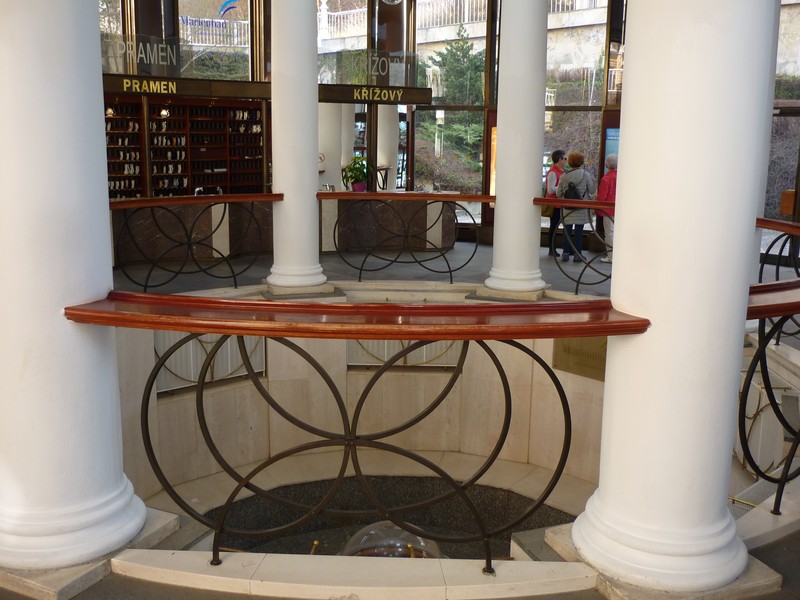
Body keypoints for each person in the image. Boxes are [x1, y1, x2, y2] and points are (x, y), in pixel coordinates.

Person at [556, 151, 596, 262]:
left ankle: (565, 253)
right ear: (581, 162)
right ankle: (578, 255)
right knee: (579, 232)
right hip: (581, 208)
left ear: (570, 162)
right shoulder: (585, 175)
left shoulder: (564, 176)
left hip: (567, 208)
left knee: (567, 231)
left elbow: (558, 194)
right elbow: (591, 190)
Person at [544, 150, 567, 257]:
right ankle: (551, 248)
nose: (566, 161)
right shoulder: (553, 172)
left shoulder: (561, 171)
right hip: (554, 204)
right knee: (554, 227)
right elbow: (550, 190)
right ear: (559, 159)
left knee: (556, 226)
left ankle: (554, 248)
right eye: (564, 158)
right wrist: (562, 187)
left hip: (559, 203)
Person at [596, 154, 617, 263]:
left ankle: (611, 256)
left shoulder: (606, 179)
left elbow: (602, 198)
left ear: (607, 164)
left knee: (609, 233)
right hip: (620, 210)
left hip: (608, 211)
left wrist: (596, 209)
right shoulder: (622, 177)